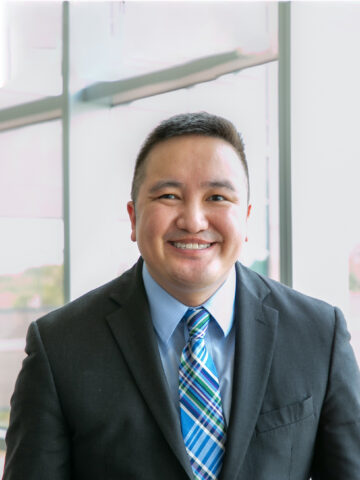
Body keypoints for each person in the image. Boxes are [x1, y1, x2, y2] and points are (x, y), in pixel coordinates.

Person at [3, 112, 360, 480]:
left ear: (247, 218)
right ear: (133, 218)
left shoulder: (318, 334)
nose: (193, 220)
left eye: (217, 197)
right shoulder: (59, 347)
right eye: (169, 195)